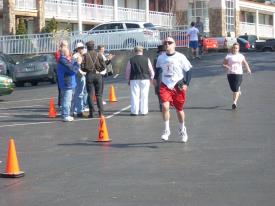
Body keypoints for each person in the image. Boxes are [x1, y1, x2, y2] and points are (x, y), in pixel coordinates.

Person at [156, 37, 192, 143]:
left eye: (169, 42)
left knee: (179, 110)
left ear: (174, 45)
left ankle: (182, 129)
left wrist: (186, 84)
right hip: (165, 85)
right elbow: (158, 69)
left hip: (178, 85)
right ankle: (167, 130)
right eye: (165, 43)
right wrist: (154, 79)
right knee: (165, 106)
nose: (167, 44)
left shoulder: (180, 56)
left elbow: (188, 71)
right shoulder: (161, 57)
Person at [125, 45, 154, 116]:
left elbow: (128, 71)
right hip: (145, 78)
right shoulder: (147, 59)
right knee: (144, 95)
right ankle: (144, 111)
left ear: (135, 51)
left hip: (134, 78)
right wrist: (152, 78)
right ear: (142, 50)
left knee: (135, 95)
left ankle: (134, 111)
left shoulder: (131, 60)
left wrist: (128, 79)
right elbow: (151, 70)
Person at [57, 43, 81, 122]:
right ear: (64, 53)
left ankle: (66, 114)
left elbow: (71, 65)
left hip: (69, 82)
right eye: (68, 51)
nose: (69, 52)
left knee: (68, 99)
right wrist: (78, 63)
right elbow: (72, 70)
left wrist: (75, 61)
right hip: (67, 83)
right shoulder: (63, 60)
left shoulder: (65, 60)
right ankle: (65, 115)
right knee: (67, 100)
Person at [223, 43, 251, 109]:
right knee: (233, 89)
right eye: (234, 48)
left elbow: (245, 63)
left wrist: (248, 69)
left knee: (235, 89)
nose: (235, 49)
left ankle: (234, 102)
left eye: (236, 48)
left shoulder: (241, 56)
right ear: (232, 48)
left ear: (238, 49)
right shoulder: (228, 56)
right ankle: (238, 90)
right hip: (230, 74)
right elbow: (223, 64)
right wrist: (227, 66)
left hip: (239, 73)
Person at [83, 40, 106, 118]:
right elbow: (104, 66)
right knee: (99, 95)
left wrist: (87, 71)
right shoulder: (98, 54)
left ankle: (92, 113)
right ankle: (101, 113)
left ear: (87, 47)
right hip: (98, 75)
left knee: (90, 94)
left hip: (89, 75)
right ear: (94, 46)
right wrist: (99, 70)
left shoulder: (85, 55)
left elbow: (82, 67)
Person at [72, 42, 87, 117]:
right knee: (78, 94)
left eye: (82, 48)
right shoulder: (75, 56)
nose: (81, 49)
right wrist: (82, 72)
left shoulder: (84, 55)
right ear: (77, 49)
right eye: (80, 48)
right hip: (78, 76)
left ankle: (78, 110)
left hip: (82, 76)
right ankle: (77, 110)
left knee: (80, 93)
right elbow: (75, 68)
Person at [153, 44, 166, 112]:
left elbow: (154, 69)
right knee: (162, 91)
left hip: (159, 77)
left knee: (159, 92)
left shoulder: (156, 58)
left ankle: (161, 105)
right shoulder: (166, 57)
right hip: (162, 77)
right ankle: (164, 105)